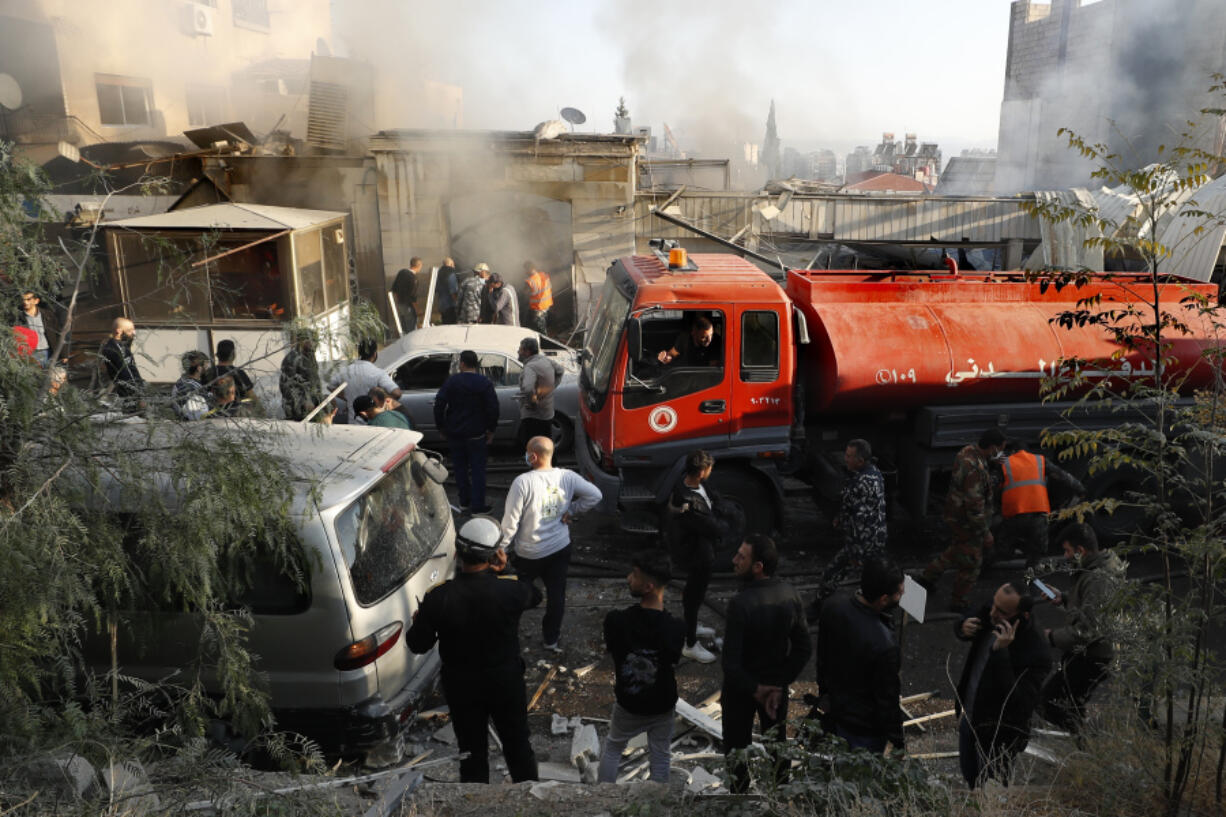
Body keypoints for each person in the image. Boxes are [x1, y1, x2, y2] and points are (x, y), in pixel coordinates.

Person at [406, 517, 542, 783]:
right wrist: (507, 569)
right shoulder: (510, 590)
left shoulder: (438, 597)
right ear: (493, 556)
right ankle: (529, 798)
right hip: (505, 681)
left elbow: (418, 644)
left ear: (457, 553)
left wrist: (418, 622)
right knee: (517, 744)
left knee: (471, 751)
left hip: (462, 686)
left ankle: (475, 801)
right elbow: (535, 595)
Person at [721, 534, 812, 793]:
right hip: (775, 688)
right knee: (778, 750)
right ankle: (780, 800)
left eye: (741, 557)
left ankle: (739, 802)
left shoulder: (740, 604)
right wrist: (778, 684)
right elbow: (803, 648)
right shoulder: (790, 594)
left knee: (737, 752)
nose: (734, 560)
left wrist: (757, 688)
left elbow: (730, 663)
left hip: (742, 690)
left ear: (758, 567)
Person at [499, 436, 602, 652]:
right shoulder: (567, 476)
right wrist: (571, 511)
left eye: (527, 452)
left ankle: (508, 639)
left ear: (533, 456)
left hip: (529, 553)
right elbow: (595, 495)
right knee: (557, 596)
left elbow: (510, 522)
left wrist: (501, 549)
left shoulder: (523, 482)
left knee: (516, 596)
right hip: (559, 548)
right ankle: (551, 639)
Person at [597, 552, 686, 784]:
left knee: (614, 747)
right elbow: (672, 659)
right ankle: (656, 805)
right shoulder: (674, 627)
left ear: (648, 586)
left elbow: (613, 650)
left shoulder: (616, 621)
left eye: (634, 575)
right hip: (662, 705)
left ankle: (602, 798)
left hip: (629, 704)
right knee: (660, 754)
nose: (628, 579)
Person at [954, 582, 1050, 788]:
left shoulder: (1036, 652)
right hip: (970, 718)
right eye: (994, 604)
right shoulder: (994, 611)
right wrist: (962, 626)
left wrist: (1001, 653)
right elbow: (972, 614)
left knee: (991, 788)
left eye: (1001, 611)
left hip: (997, 737)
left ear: (1021, 616)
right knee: (970, 779)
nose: (992, 612)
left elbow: (1018, 703)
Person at [1040, 523, 1125, 733]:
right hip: (1092, 652)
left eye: (1067, 550)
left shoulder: (1097, 578)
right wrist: (1065, 598)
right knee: (1073, 701)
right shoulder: (1100, 566)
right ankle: (1081, 744)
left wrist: (1052, 637)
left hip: (1093, 654)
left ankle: (1083, 740)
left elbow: (1089, 629)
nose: (1065, 556)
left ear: (1081, 551)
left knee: (1049, 702)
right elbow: (1093, 605)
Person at [815, 558, 905, 753]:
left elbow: (822, 659)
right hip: (865, 730)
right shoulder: (884, 645)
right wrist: (897, 741)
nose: (903, 595)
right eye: (898, 592)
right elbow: (887, 699)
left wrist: (825, 694)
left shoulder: (833, 607)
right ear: (883, 599)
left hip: (835, 711)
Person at [665, 450, 743, 664]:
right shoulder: (690, 504)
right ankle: (690, 644)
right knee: (693, 594)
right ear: (701, 472)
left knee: (695, 594)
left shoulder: (692, 485)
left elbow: (715, 502)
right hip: (698, 555)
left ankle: (693, 624)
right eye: (709, 469)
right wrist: (731, 525)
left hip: (701, 550)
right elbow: (714, 528)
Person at [917, 427, 1007, 612]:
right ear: (991, 448)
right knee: (971, 563)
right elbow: (974, 509)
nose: (1000, 454)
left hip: (956, 516)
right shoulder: (975, 469)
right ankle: (959, 602)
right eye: (999, 449)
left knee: (956, 549)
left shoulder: (967, 452)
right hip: (968, 523)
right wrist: (986, 533)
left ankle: (927, 578)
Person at [811, 438, 888, 617]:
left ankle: (820, 606)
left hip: (863, 542)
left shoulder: (862, 482)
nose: (845, 459)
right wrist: (841, 517)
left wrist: (855, 553)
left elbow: (861, 522)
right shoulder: (872, 473)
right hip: (874, 539)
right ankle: (882, 605)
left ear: (860, 461)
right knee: (873, 576)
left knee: (835, 571)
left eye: (848, 456)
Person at [997, 441, 1084, 567]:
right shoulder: (1039, 460)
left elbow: (994, 487)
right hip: (1038, 513)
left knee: (1002, 544)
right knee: (1038, 549)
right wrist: (1080, 488)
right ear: (1029, 452)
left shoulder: (1005, 463)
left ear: (1012, 452)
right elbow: (1062, 476)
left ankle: (988, 565)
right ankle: (1031, 573)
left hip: (1013, 515)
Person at [435, 350, 500, 513]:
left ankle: (464, 501)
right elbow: (493, 408)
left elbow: (439, 405)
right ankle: (478, 505)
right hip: (477, 433)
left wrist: (441, 427)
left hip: (455, 433)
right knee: (478, 469)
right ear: (476, 364)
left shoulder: (452, 382)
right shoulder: (484, 382)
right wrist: (491, 429)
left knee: (459, 468)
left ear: (462, 364)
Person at [326, 339, 402, 423]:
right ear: (374, 354)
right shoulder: (378, 373)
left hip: (353, 423)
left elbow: (330, 386)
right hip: (374, 423)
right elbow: (397, 393)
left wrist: (348, 398)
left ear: (360, 353)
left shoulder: (345, 371)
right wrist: (380, 401)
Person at [515, 336, 565, 450]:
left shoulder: (530, 367)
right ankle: (549, 465)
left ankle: (536, 466)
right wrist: (550, 388)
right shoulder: (545, 360)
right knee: (546, 445)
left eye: (520, 349)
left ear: (527, 352)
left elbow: (527, 389)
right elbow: (560, 371)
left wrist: (532, 402)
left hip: (533, 416)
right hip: (547, 413)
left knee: (532, 446)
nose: (518, 352)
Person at [99, 317, 145, 410]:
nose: (134, 333)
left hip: (122, 391)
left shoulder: (115, 345)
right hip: (126, 394)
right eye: (130, 330)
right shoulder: (118, 349)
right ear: (119, 331)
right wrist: (139, 395)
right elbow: (127, 372)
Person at [280, 328, 323, 421]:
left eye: (315, 340)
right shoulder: (293, 358)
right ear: (300, 341)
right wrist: (304, 402)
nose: (313, 343)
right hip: (297, 409)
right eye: (309, 340)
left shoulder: (310, 355)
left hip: (313, 405)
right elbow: (287, 386)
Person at [18, 291, 65, 366]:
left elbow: (58, 334)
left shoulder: (47, 315)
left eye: (28, 299)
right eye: (23, 300)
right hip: (32, 355)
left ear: (36, 301)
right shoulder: (18, 319)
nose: (25, 302)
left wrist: (63, 354)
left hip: (51, 352)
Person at [657, 315, 721, 367]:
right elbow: (673, 353)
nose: (709, 340)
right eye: (704, 337)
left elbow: (712, 369)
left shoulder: (716, 342)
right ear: (694, 333)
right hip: (687, 373)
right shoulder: (685, 338)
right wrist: (666, 357)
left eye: (711, 335)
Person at [172, 350, 211, 420]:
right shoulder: (189, 387)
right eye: (206, 366)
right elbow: (197, 414)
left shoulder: (183, 382)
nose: (208, 369)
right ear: (199, 368)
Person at [391, 257, 421, 333]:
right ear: (419, 266)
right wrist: (418, 310)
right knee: (411, 331)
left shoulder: (402, 272)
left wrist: (398, 301)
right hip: (409, 307)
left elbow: (394, 289)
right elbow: (413, 297)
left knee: (404, 329)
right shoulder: (414, 279)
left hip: (400, 304)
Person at [524, 262, 553, 336]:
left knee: (541, 331)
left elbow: (525, 293)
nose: (525, 272)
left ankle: (545, 345)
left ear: (530, 269)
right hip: (546, 306)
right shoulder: (544, 275)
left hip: (538, 308)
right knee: (541, 326)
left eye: (525, 270)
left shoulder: (530, 281)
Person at [435, 257, 460, 325]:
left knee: (445, 324)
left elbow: (436, 289)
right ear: (451, 264)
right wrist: (458, 303)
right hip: (450, 306)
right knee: (451, 326)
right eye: (453, 265)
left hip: (441, 305)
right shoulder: (451, 274)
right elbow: (453, 291)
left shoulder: (438, 274)